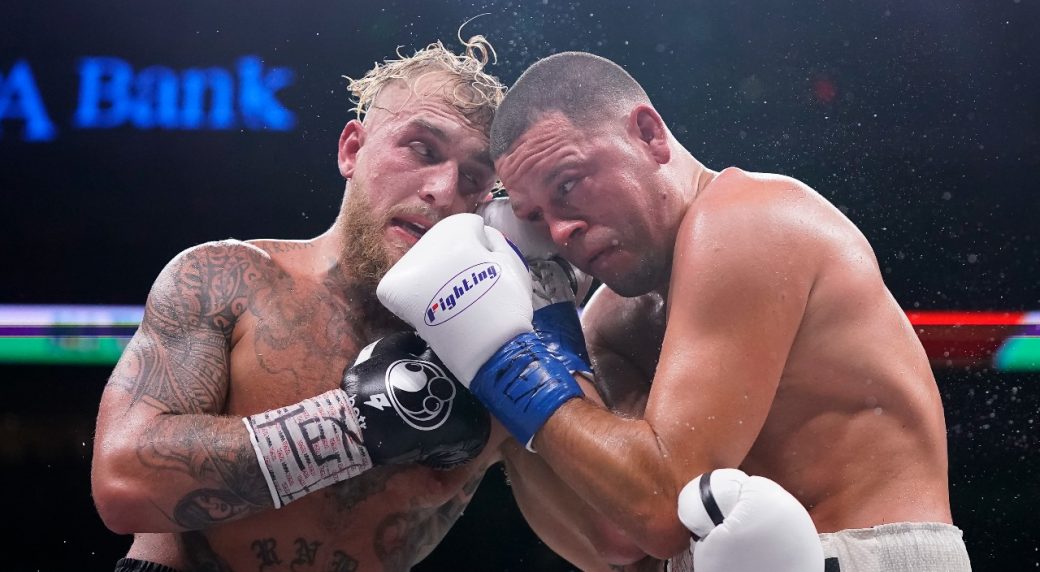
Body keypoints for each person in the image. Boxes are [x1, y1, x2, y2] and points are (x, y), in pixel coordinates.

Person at [376, 51, 972, 571]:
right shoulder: (609, 321)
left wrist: (505, 363)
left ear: (649, 134)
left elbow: (660, 507)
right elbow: (615, 538)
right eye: (534, 218)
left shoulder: (748, 219)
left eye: (568, 184)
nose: (562, 229)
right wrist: (530, 339)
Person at [90, 38, 624, 572]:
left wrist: (554, 329)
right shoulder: (228, 279)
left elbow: (613, 542)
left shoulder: (491, 343)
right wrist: (357, 426)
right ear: (351, 149)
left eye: (473, 179)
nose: (442, 189)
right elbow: (122, 483)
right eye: (422, 149)